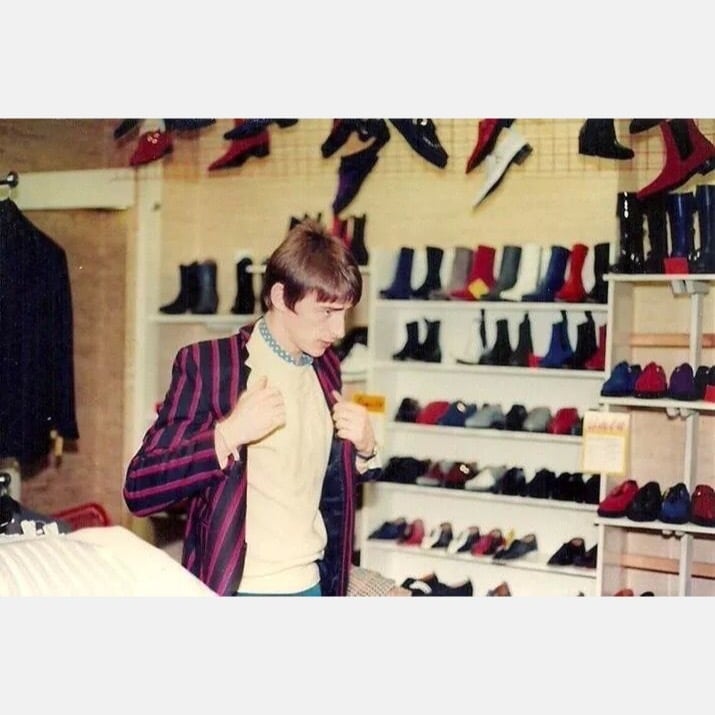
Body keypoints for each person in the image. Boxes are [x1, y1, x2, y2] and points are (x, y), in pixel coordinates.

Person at [123, 219, 381, 596]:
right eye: (327, 312)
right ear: (280, 296)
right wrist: (227, 435)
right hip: (240, 589)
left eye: (345, 313)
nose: (339, 330)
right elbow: (140, 488)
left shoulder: (326, 366)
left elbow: (314, 482)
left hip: (313, 584)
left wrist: (365, 450)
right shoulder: (211, 365)